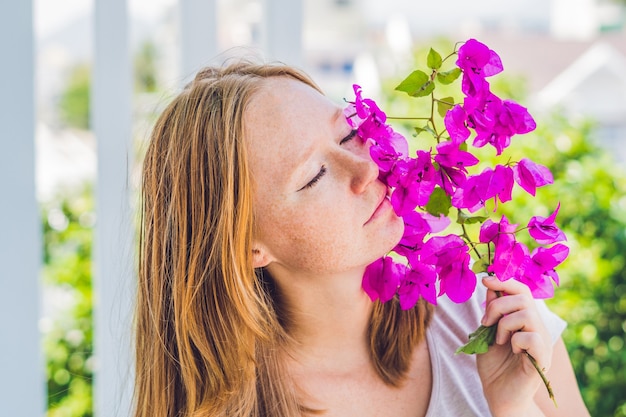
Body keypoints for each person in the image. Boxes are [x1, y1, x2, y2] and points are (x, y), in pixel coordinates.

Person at [134, 61, 590, 417]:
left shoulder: (493, 320)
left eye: (349, 133)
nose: (368, 168)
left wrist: (513, 407)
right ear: (247, 246)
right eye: (314, 177)